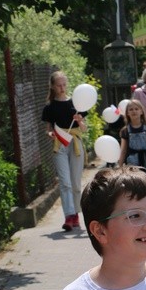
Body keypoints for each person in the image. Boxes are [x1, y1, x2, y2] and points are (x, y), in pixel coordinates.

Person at [42, 71, 87, 232]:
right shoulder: (49, 107)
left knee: (75, 183)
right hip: (59, 144)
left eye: (64, 84)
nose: (62, 88)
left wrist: (79, 120)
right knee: (65, 182)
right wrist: (50, 134)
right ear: (53, 87)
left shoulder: (75, 103)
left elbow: (84, 128)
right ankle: (69, 216)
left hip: (75, 143)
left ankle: (76, 214)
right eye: (58, 85)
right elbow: (48, 129)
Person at [118, 99, 146, 176]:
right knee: (134, 184)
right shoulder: (125, 130)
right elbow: (123, 150)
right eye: (131, 109)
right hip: (132, 163)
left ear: (141, 112)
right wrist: (119, 166)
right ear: (127, 113)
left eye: (136, 109)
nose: (134, 111)